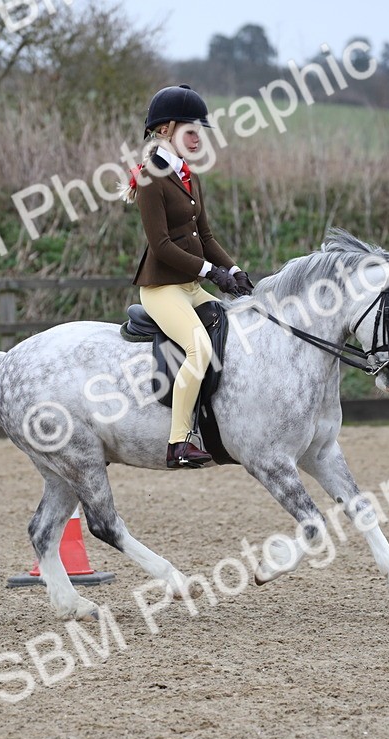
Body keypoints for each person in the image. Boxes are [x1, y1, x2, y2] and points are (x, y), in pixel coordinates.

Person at [120, 84, 256, 469]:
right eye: (191, 131)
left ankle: (221, 419)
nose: (198, 138)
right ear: (165, 130)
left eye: (200, 131)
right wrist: (210, 272)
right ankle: (178, 442)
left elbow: (206, 236)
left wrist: (233, 270)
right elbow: (161, 245)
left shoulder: (188, 175)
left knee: (237, 331)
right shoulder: (150, 179)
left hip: (192, 288)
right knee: (199, 348)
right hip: (163, 290)